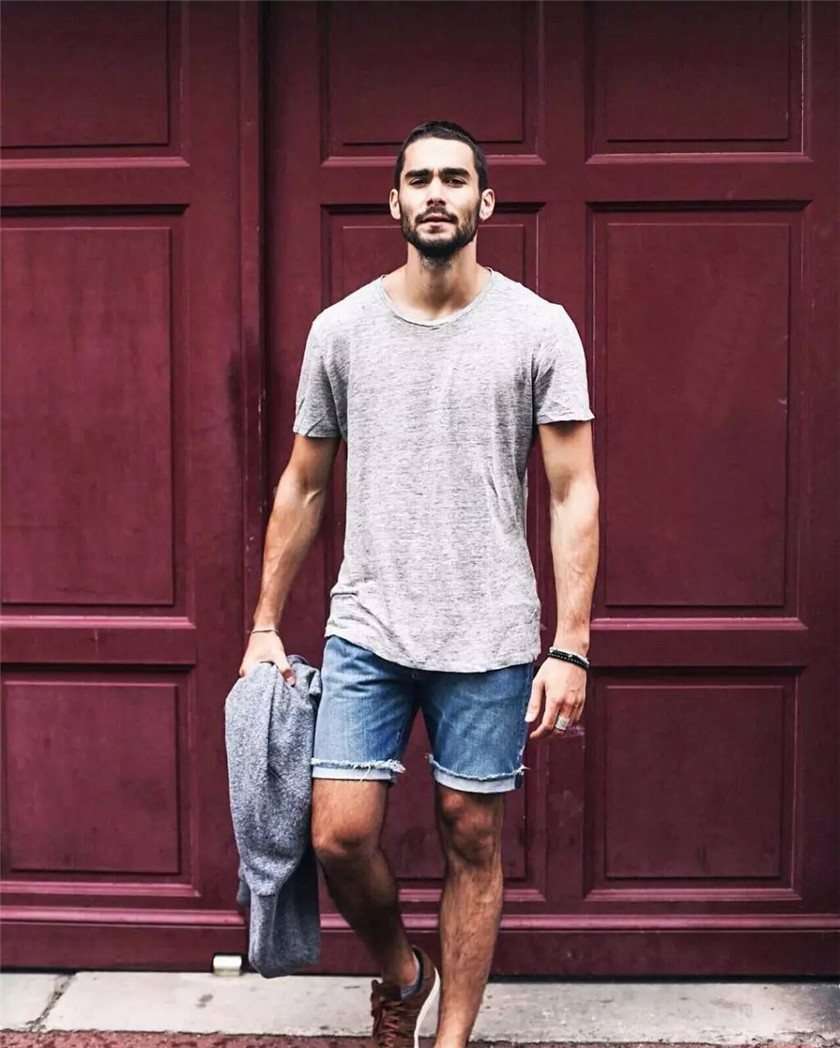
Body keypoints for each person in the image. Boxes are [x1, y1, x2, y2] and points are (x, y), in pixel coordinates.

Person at [239, 120, 599, 1048]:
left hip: (489, 631)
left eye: (455, 179)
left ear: (486, 201)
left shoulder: (539, 329)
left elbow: (573, 491)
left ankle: (451, 1040)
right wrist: (265, 622)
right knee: (338, 835)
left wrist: (570, 645)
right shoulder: (342, 331)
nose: (436, 193)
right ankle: (404, 971)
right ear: (393, 200)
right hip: (370, 622)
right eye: (420, 179)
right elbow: (304, 482)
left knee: (471, 835)